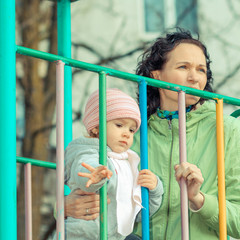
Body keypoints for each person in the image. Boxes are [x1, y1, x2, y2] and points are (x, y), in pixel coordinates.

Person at [63, 29, 240, 240]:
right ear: (156, 74)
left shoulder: (227, 129)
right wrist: (63, 207)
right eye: (183, 67)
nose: (194, 77)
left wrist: (198, 199)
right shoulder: (131, 130)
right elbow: (97, 185)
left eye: (201, 70)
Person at [60, 88, 164, 240]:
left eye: (131, 129)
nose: (126, 133)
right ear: (95, 127)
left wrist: (154, 190)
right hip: (83, 235)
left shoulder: (127, 163)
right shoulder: (88, 151)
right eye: (119, 125)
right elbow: (84, 171)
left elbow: (140, 213)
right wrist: (96, 174)